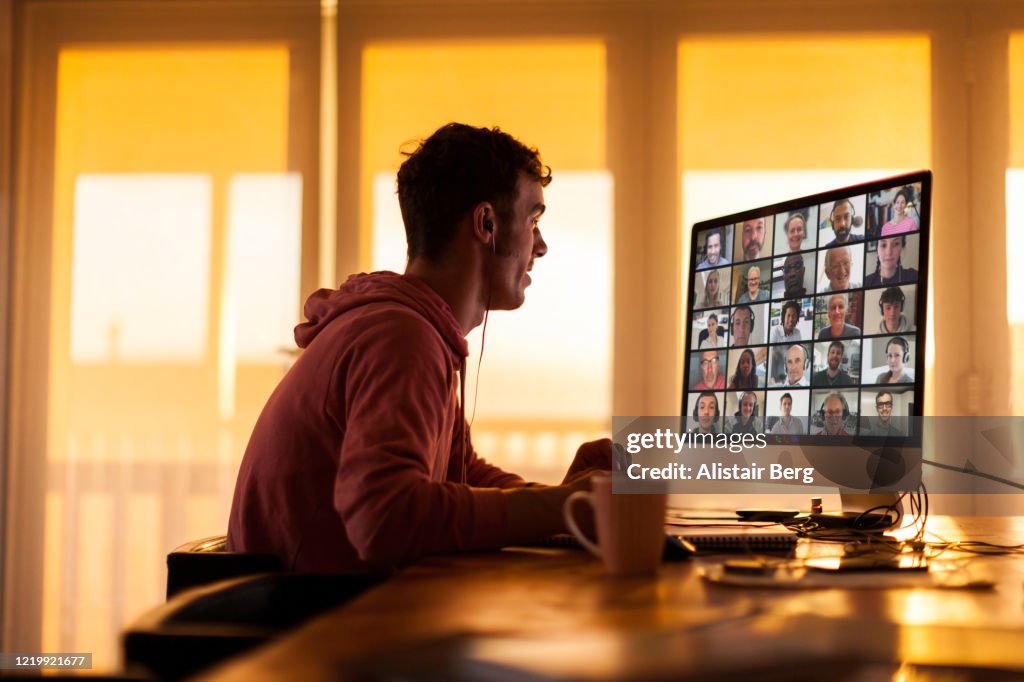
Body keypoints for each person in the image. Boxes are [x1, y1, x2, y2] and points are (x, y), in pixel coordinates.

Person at [227, 123, 611, 573]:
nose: (540, 246)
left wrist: (566, 498)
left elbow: (456, 472)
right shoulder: (400, 338)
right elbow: (385, 517)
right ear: (486, 223)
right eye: (533, 220)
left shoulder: (402, 327)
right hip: (314, 629)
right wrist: (562, 507)